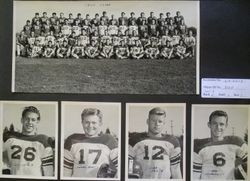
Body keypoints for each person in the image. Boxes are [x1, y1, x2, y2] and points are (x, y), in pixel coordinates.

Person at [193, 110, 248, 180]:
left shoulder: (235, 142)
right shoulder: (199, 146)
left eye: (221, 124)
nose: (218, 127)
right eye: (214, 123)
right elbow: (195, 176)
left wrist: (242, 174)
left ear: (226, 125)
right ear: (209, 124)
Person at [63, 108, 118, 178]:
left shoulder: (109, 140)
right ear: (82, 122)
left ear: (100, 123)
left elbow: (121, 167)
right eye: (87, 122)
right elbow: (65, 172)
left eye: (94, 122)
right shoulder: (72, 140)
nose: (90, 126)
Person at [129, 107, 182, 179]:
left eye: (160, 121)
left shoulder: (172, 141)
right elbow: (126, 165)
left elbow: (176, 171)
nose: (157, 124)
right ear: (148, 121)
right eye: (153, 120)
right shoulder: (135, 140)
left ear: (164, 123)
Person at [2, 106, 54, 176]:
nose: (29, 122)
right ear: (22, 120)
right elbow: (3, 163)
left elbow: (48, 171)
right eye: (27, 119)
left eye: (33, 120)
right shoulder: (10, 140)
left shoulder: (44, 141)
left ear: (37, 122)